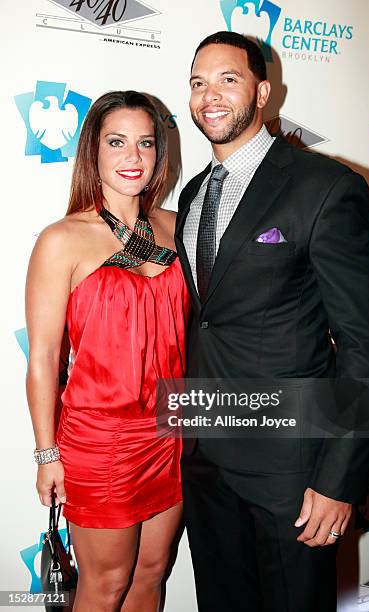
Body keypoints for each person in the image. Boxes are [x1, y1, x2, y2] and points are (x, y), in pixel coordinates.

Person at [175, 32, 369, 611]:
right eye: (198, 83)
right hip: (205, 457)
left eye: (228, 80)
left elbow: (364, 345)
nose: (209, 96)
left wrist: (340, 478)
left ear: (263, 91)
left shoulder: (325, 188)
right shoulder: (194, 194)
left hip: (292, 470)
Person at [26, 91, 190, 612]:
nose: (133, 157)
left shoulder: (175, 224)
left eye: (145, 143)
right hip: (101, 442)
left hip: (170, 433)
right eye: (116, 142)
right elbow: (43, 360)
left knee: (151, 573)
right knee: (104, 585)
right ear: (92, 152)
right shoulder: (63, 239)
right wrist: (47, 454)